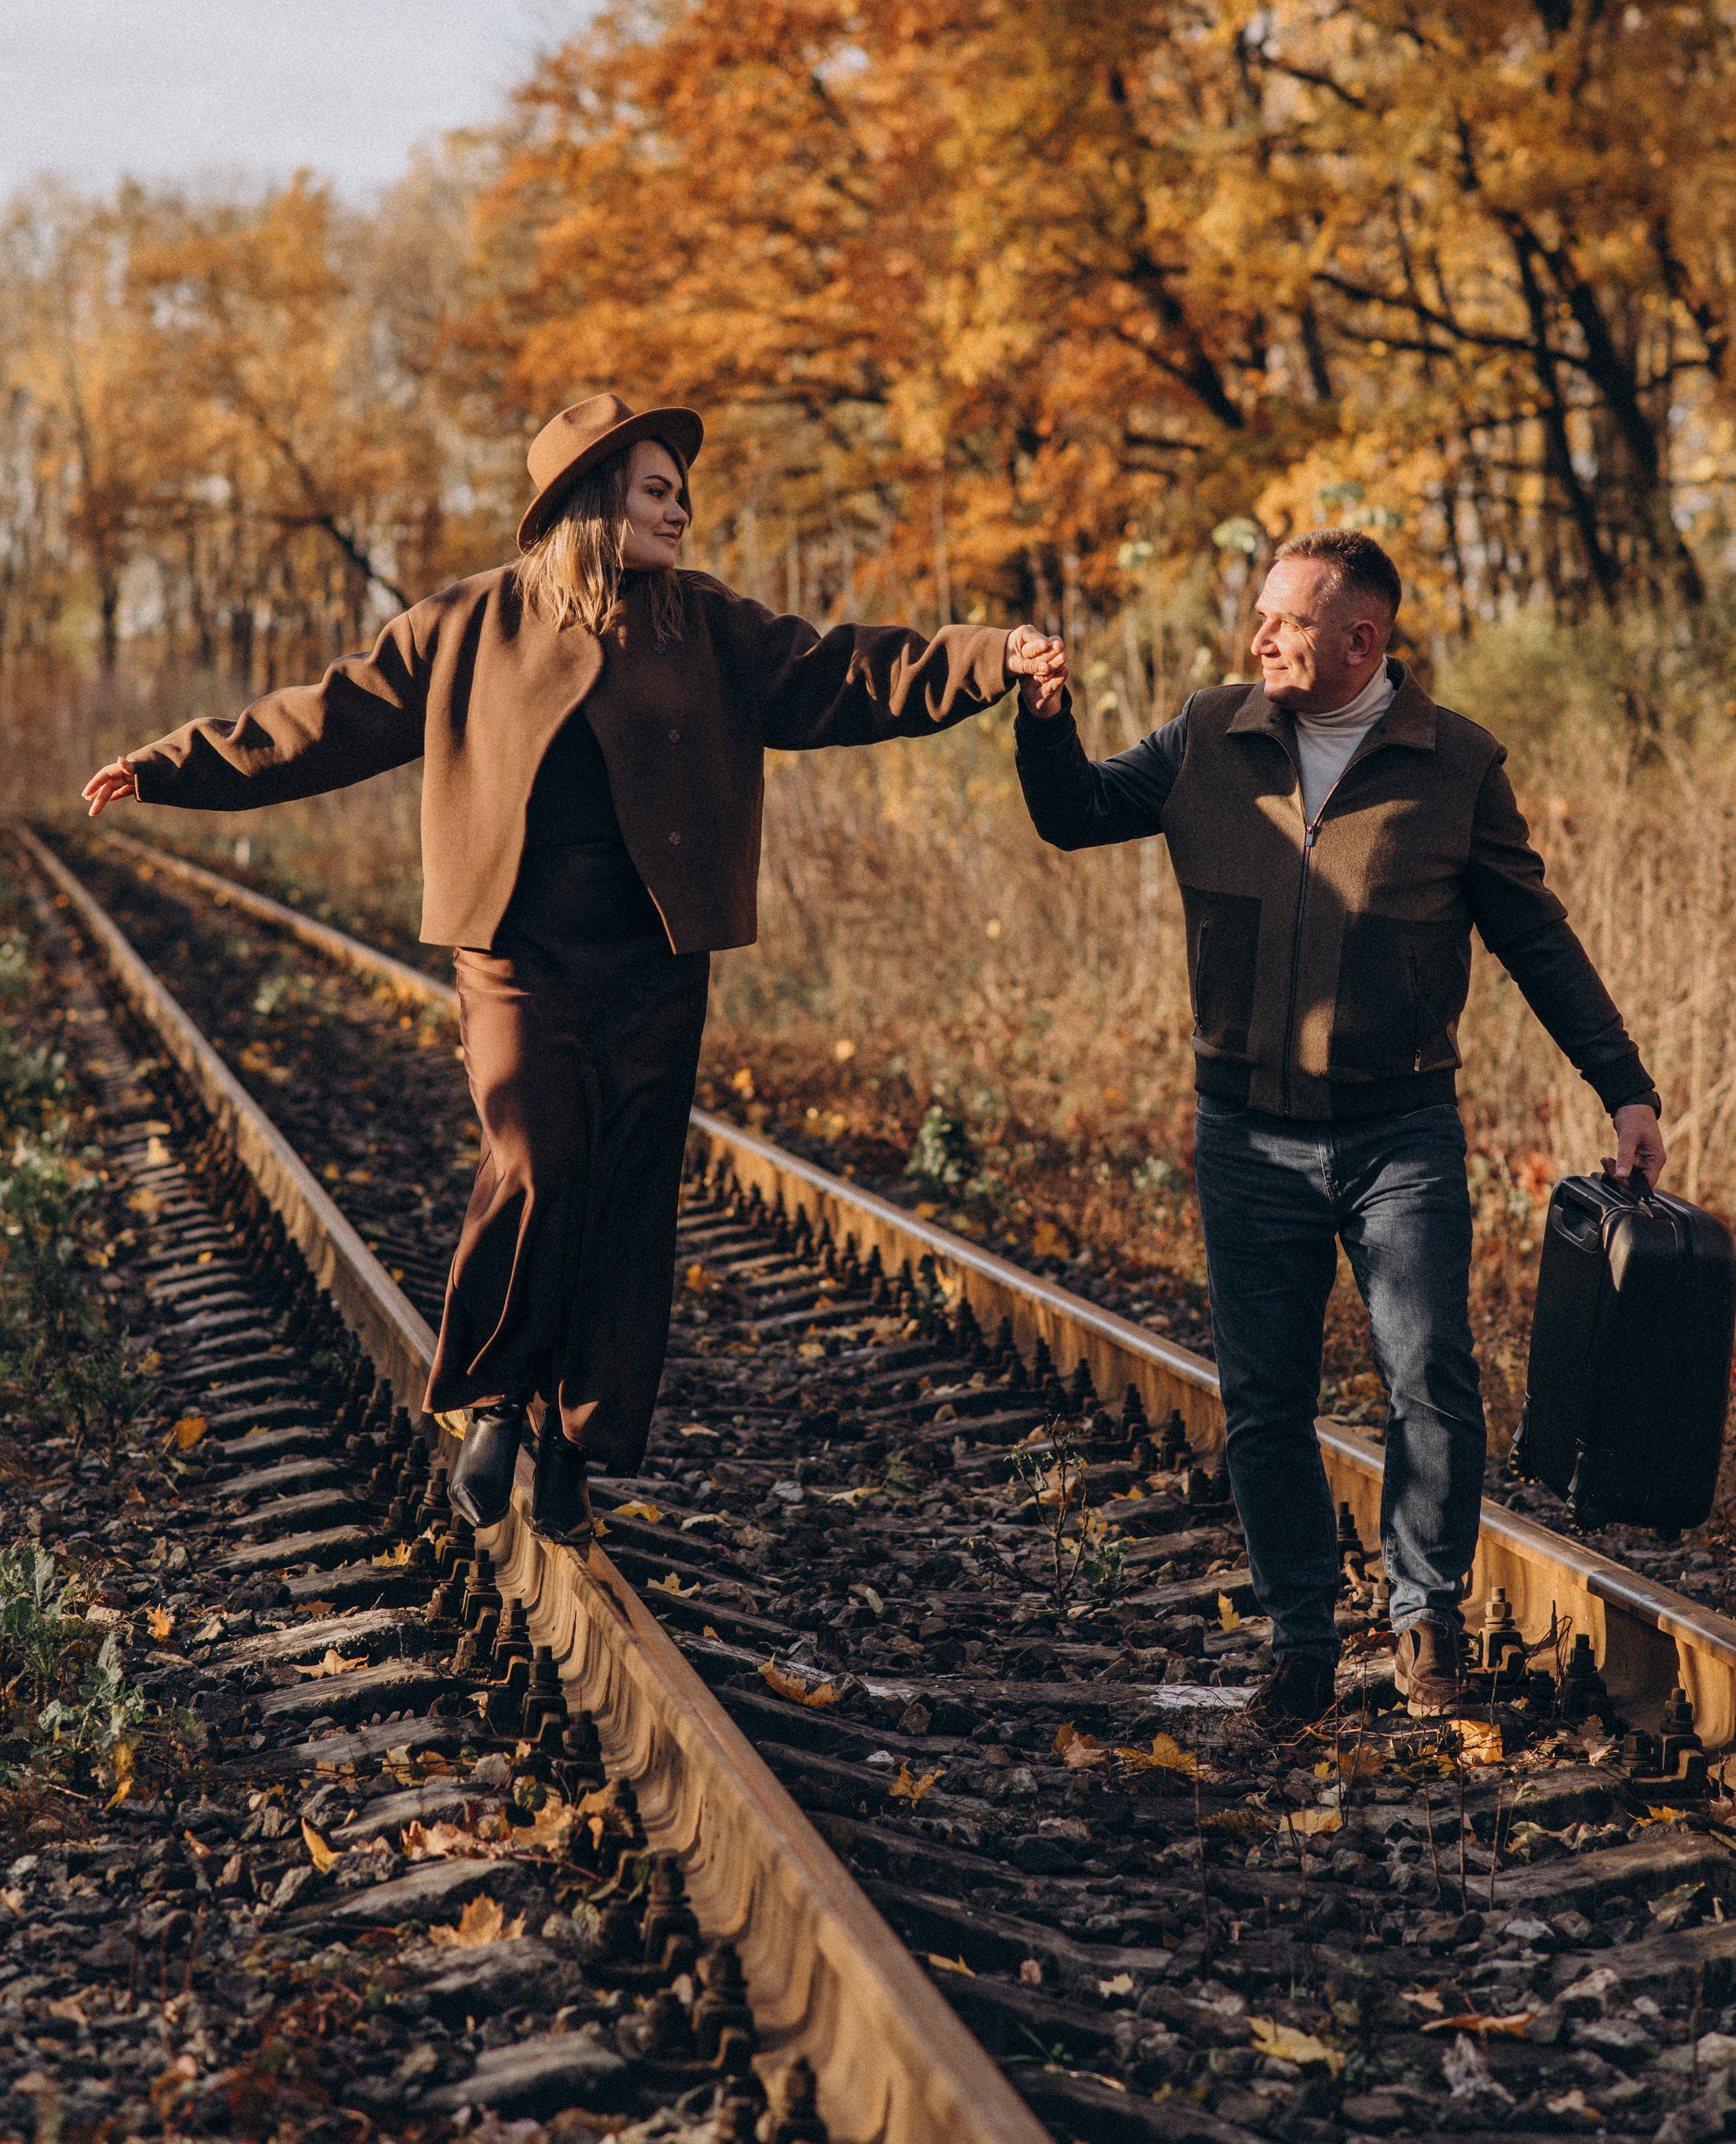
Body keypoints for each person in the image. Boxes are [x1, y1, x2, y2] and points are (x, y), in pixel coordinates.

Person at [85, 392, 1065, 1541]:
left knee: (628, 1192)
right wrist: (168, 763)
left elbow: (843, 674)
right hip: (516, 952)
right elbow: (326, 718)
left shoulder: (705, 627)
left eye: (681, 494)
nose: (681, 512)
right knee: (539, 1156)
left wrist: (989, 655)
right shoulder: (467, 627)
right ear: (592, 501)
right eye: (658, 490)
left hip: (654, 956)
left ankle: (576, 1436)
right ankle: (500, 1397)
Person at [1012, 528, 1664, 1729]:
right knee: (1265, 1398)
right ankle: (1302, 1644)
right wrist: (1044, 719)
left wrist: (1623, 1085)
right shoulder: (1211, 735)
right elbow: (1075, 812)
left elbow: (1536, 937)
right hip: (1245, 1133)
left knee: (1429, 1379)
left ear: (1361, 640)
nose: (1259, 634)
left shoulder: (1454, 765)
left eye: (1287, 621)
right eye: (1260, 614)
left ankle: (1425, 1623)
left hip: (1399, 1133)